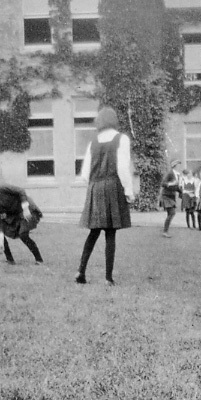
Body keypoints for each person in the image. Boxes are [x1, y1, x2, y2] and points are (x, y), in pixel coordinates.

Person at [76, 107, 134, 285]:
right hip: (111, 186)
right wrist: (129, 191)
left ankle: (81, 271)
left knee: (93, 232)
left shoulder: (93, 141)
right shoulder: (121, 139)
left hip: (95, 187)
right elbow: (123, 168)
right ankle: (108, 278)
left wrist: (95, 186)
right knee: (110, 233)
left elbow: (84, 174)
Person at [0, 179, 44, 264]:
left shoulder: (1, 188)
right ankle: (10, 260)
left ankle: (39, 260)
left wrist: (25, 208)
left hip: (28, 210)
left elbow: (21, 191)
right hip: (15, 216)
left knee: (23, 234)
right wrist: (0, 241)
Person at [159, 159, 182, 238]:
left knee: (170, 213)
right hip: (166, 196)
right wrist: (171, 183)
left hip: (172, 196)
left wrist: (182, 192)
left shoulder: (178, 175)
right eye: (178, 164)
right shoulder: (170, 173)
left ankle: (165, 230)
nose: (179, 166)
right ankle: (165, 231)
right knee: (172, 213)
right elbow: (163, 183)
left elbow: (177, 187)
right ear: (174, 166)